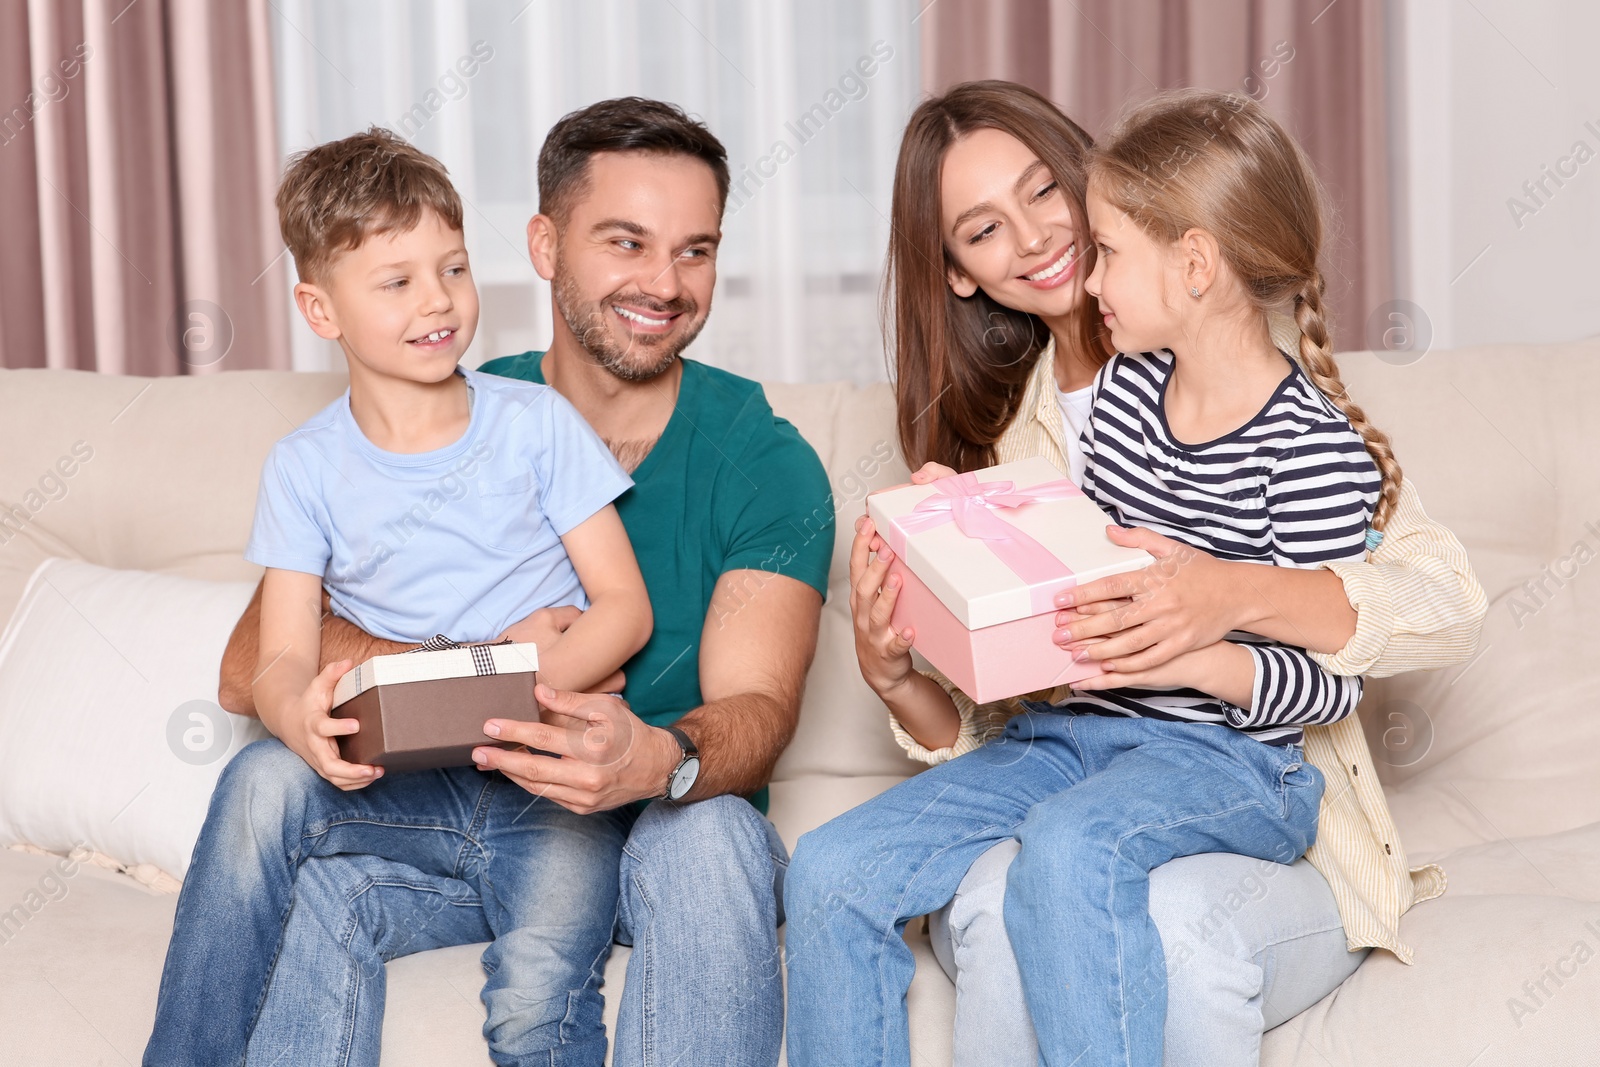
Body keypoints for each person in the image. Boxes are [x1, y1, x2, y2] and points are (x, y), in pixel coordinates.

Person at [784, 83, 1485, 1067]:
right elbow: (1078, 599)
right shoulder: (1103, 397)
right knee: (827, 863)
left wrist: (1217, 616)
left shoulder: (1294, 419)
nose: (1036, 238)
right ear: (957, 274)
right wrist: (962, 537)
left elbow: (1415, 620)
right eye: (985, 229)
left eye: (1045, 193)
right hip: (1075, 735)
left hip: (1225, 756)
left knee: (1067, 851)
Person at [144, 99, 833, 1067]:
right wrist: (477, 669)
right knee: (313, 865)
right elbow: (256, 665)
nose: (664, 283)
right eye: (626, 241)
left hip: (644, 825)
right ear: (545, 246)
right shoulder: (447, 400)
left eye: (695, 250)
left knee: (704, 831)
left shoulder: (759, 459)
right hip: (449, 807)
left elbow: (756, 710)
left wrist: (647, 758)